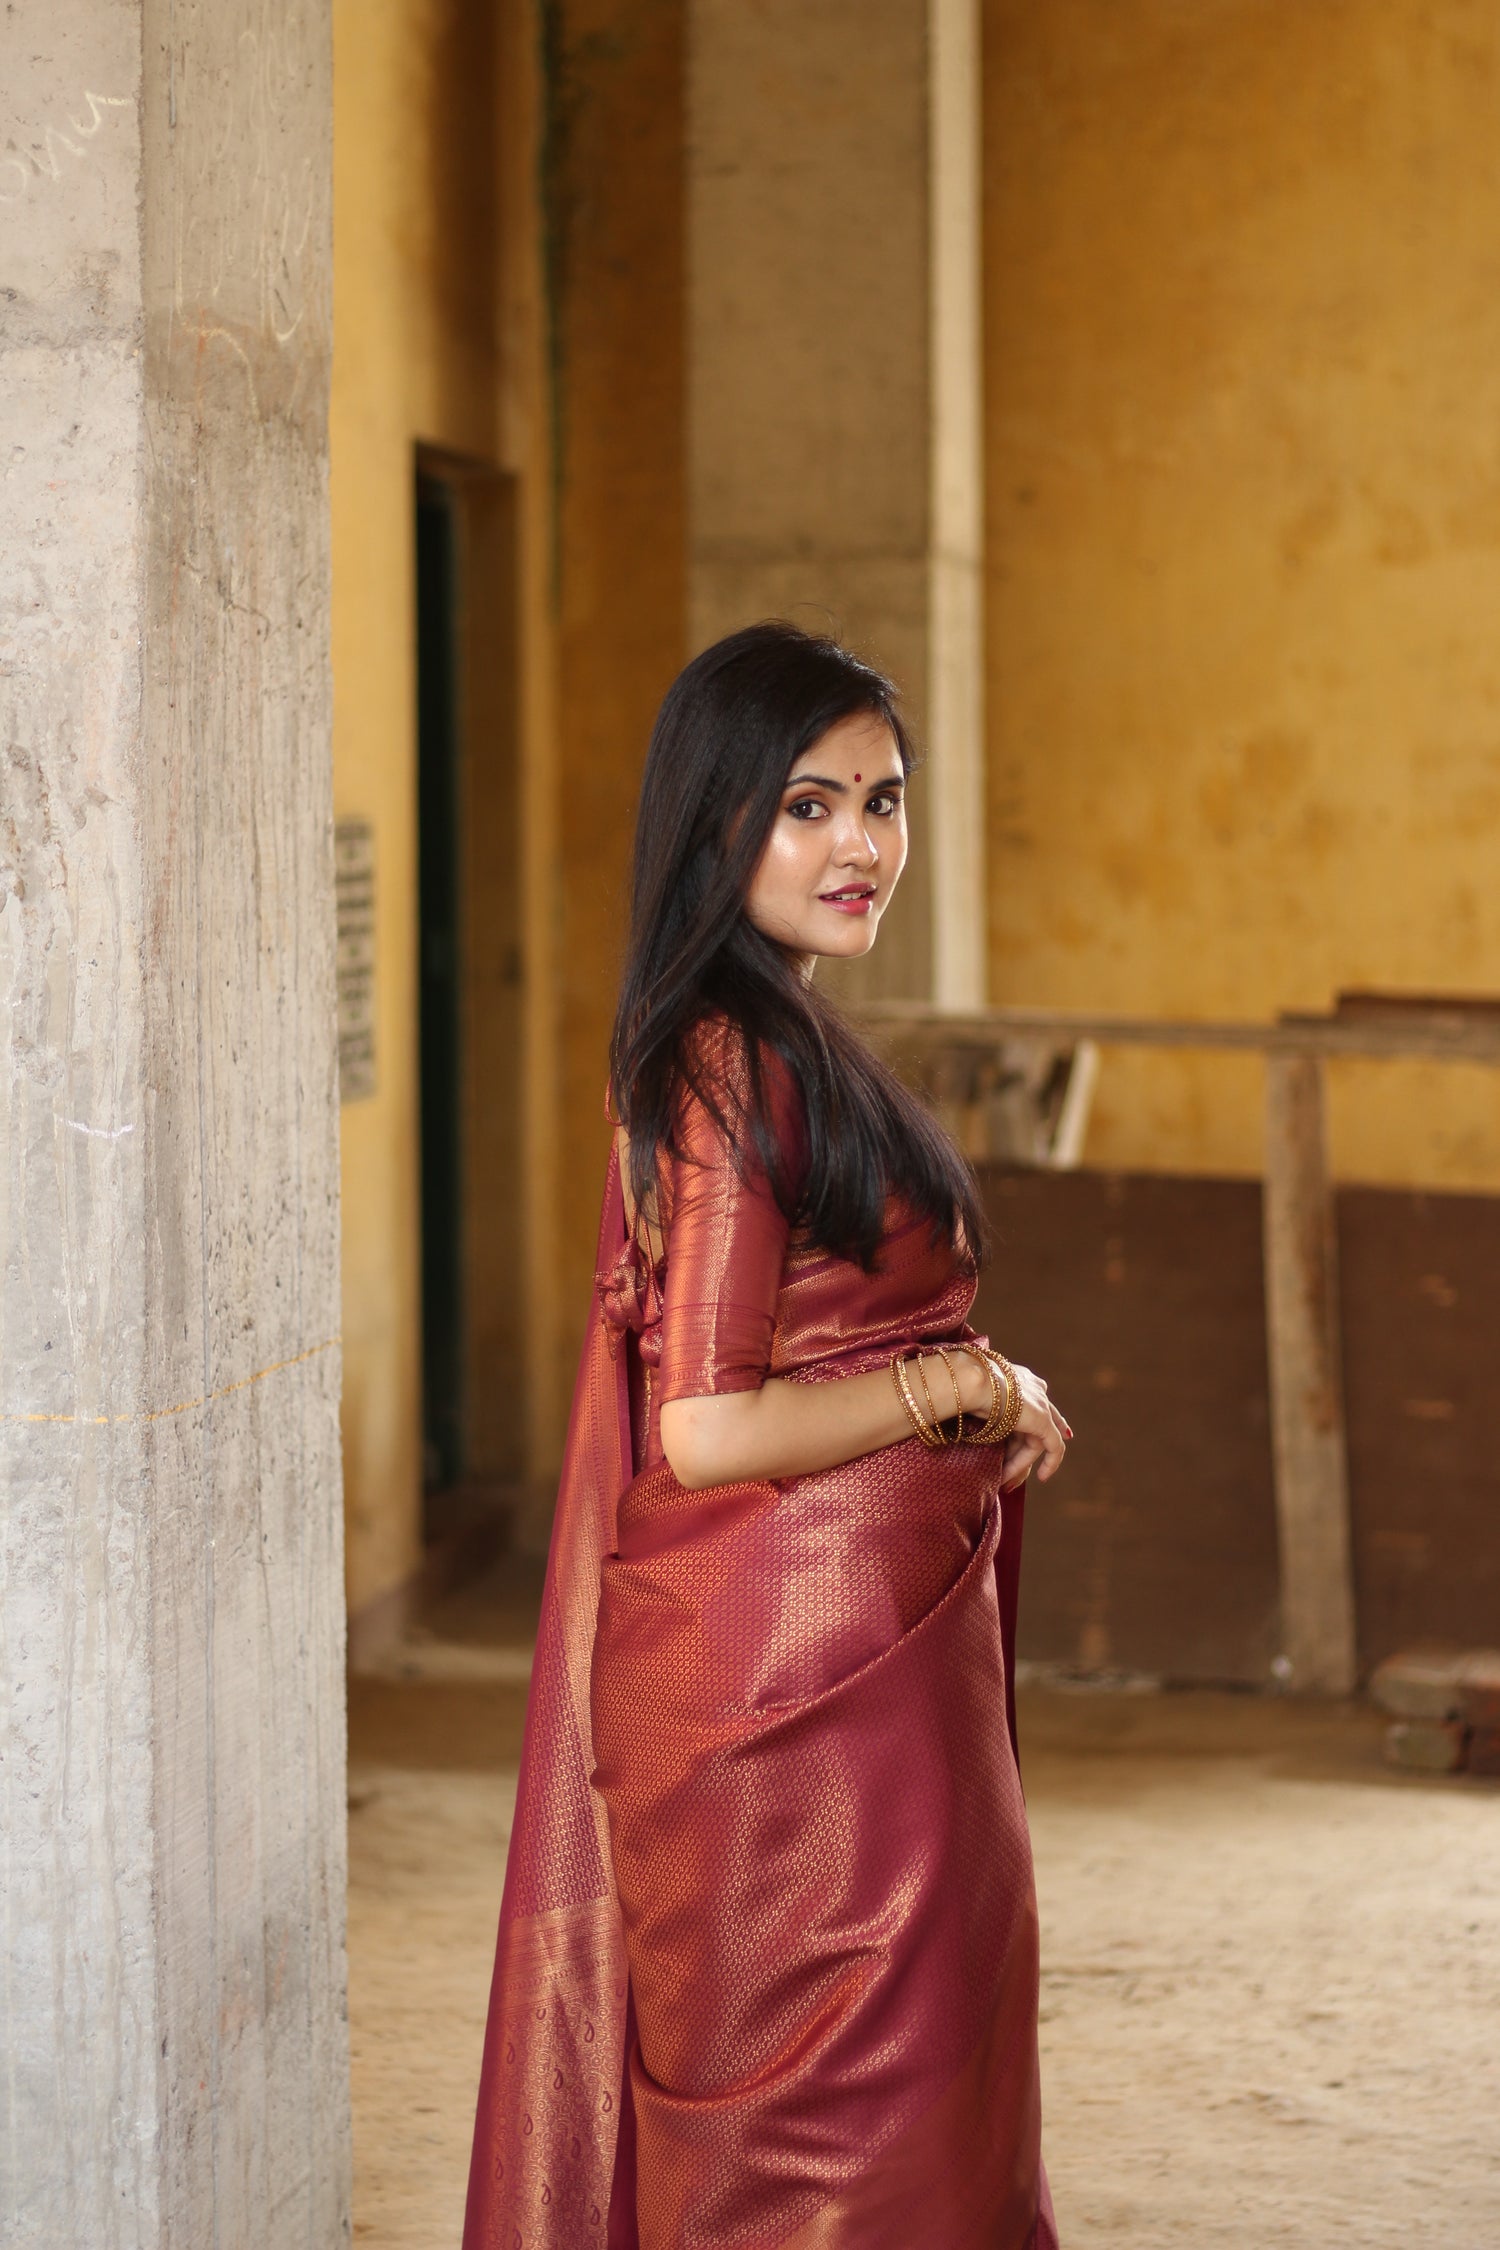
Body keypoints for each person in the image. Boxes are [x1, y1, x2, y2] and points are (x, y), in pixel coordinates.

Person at [464, 622, 1069, 2250]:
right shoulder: (730, 1061)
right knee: (837, 2155)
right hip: (789, 1717)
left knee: (925, 2105)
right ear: (716, 816)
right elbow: (713, 1424)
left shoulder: (782, 1039)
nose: (860, 844)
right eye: (807, 804)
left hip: (864, 1673)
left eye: (881, 799)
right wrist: (962, 1391)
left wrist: (965, 1388)